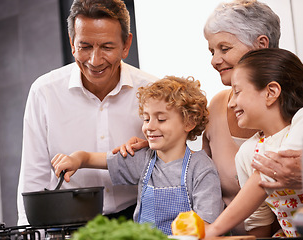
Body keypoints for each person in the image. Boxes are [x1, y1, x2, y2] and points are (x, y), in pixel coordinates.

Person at [112, 0, 282, 236]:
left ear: (261, 45)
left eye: (224, 48)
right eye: (212, 51)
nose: (214, 60)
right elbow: (191, 167)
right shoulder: (217, 106)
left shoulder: (300, 114)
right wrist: (156, 145)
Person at [16, 0, 159, 225]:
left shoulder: (153, 91)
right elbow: (34, 176)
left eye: (107, 47)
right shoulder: (44, 92)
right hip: (69, 221)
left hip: (138, 217)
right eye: (85, 46)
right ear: (72, 43)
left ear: (126, 45)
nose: (94, 60)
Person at [51, 76, 223, 235]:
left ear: (189, 122)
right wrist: (77, 158)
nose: (149, 126)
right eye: (146, 119)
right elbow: (92, 159)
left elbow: (207, 226)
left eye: (161, 119)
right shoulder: (143, 159)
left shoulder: (201, 168)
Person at [204, 48, 303, 238]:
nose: (230, 103)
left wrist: (213, 229)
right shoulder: (247, 152)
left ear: (271, 92)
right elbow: (258, 219)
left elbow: (273, 171)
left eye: (237, 92)